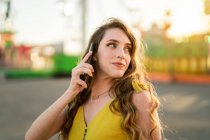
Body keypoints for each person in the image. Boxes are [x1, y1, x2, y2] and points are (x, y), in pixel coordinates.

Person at [25, 18, 162, 140]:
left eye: (127, 48)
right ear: (94, 54)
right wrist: (70, 93)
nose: (122, 54)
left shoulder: (138, 97)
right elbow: (32, 137)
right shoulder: (78, 101)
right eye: (112, 45)